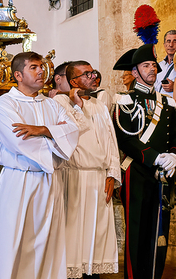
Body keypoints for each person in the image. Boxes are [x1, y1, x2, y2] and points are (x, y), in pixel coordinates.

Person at [0, 52, 79, 279]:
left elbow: (72, 132)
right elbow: (19, 140)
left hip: (50, 181)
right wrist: (55, 134)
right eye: (33, 67)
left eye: (41, 66)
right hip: (19, 179)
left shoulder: (52, 105)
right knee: (15, 241)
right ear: (18, 75)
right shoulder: (5, 103)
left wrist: (43, 130)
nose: (41, 71)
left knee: (49, 241)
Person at [113, 44, 176, 279]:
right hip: (137, 171)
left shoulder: (168, 103)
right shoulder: (125, 101)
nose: (152, 69)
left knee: (159, 229)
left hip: (164, 172)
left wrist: (173, 154)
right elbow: (124, 138)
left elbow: (175, 134)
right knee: (138, 230)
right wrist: (154, 157)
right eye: (146, 66)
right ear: (135, 72)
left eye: (154, 65)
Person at [52, 60, 121, 278]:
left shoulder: (100, 105)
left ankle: (94, 274)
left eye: (93, 73)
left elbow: (111, 141)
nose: (93, 77)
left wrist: (112, 173)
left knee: (97, 234)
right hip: (75, 176)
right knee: (74, 233)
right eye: (86, 74)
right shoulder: (60, 103)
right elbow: (69, 134)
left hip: (100, 177)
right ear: (73, 81)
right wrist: (77, 106)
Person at [157, 30, 176, 98]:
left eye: (175, 41)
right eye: (168, 41)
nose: (171, 45)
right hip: (158, 105)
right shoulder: (158, 65)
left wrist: (175, 87)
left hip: (175, 105)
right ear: (164, 45)